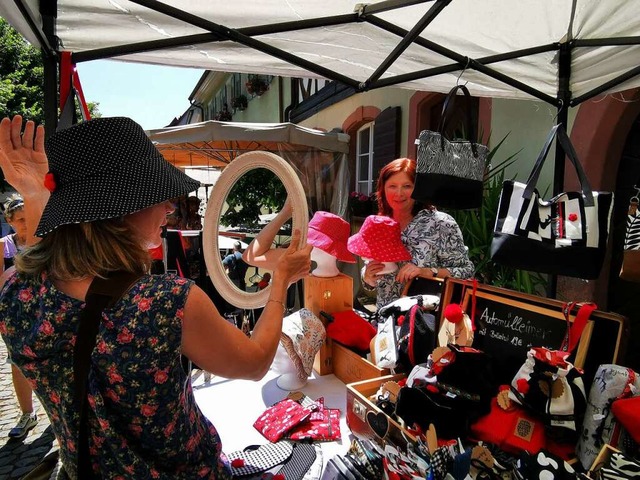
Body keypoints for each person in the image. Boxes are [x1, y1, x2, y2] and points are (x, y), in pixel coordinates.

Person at [0, 115, 311, 478]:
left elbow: (44, 256)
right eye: (157, 197)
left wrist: (37, 194)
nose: (169, 208)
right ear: (119, 211)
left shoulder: (19, 296)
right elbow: (255, 363)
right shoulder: (166, 304)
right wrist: (281, 282)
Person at [362, 157, 474, 309]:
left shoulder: (440, 223)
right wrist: (367, 277)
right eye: (392, 186)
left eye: (407, 186)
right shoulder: (379, 223)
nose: (399, 193)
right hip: (386, 321)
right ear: (383, 189)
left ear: (419, 189)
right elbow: (370, 271)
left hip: (425, 322)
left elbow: (466, 272)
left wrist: (428, 272)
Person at [1, 194, 38, 439]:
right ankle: (27, 413)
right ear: (11, 221)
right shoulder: (5, 246)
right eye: (21, 219)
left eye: (30, 217)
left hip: (43, 310)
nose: (26, 223)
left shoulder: (42, 241)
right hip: (13, 313)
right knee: (18, 364)